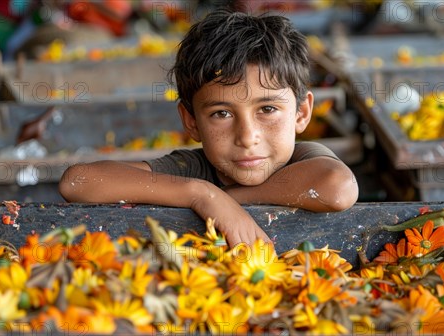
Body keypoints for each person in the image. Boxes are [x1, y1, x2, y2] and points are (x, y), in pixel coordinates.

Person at [59, 10, 359, 248]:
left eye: (267, 110)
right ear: (191, 121)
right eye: (222, 113)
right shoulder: (192, 170)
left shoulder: (305, 159)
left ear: (302, 113)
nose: (247, 136)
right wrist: (200, 194)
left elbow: (339, 188)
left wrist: (229, 200)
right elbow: (77, 181)